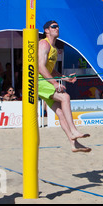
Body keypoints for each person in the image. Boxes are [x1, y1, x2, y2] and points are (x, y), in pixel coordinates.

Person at [38, 20, 91, 153]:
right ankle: (73, 130)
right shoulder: (44, 44)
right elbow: (40, 67)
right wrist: (55, 83)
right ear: (46, 30)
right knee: (65, 97)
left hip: (45, 80)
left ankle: (74, 144)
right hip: (38, 81)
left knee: (60, 112)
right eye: (53, 27)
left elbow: (51, 70)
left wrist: (63, 78)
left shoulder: (55, 49)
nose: (57, 28)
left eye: (58, 26)